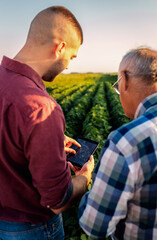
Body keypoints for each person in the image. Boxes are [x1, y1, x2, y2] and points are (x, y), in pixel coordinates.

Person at [0, 6, 94, 240]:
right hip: (31, 228)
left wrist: (48, 142)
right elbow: (58, 201)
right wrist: (85, 177)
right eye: (71, 57)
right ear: (60, 47)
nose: (68, 66)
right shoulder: (42, 107)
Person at [78, 47, 157, 240]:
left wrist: (87, 180)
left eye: (117, 85)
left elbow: (95, 226)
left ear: (125, 79)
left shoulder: (127, 141)